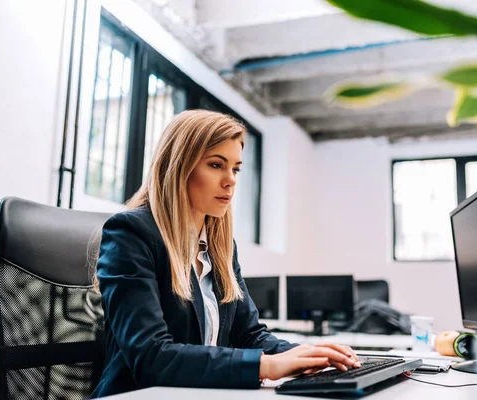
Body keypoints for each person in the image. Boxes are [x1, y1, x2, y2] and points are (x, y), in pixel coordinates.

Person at [91, 110, 360, 398]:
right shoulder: (131, 234)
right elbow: (152, 356)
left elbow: (249, 335)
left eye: (235, 168)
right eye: (216, 165)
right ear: (179, 166)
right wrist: (266, 366)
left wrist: (308, 355)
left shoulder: (220, 247)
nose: (230, 180)